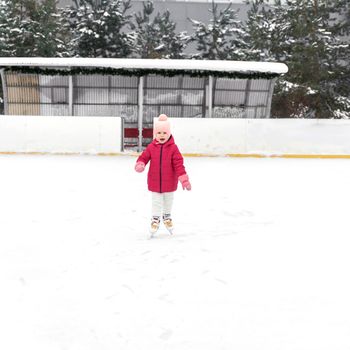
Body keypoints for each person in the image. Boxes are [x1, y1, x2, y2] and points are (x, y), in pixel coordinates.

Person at [134, 114, 191, 235]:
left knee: (168, 200)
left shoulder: (173, 148)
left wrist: (184, 179)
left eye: (164, 133)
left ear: (169, 133)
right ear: (155, 134)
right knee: (156, 201)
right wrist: (140, 164)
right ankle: (155, 219)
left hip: (170, 181)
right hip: (155, 181)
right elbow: (143, 157)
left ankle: (167, 216)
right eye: (159, 133)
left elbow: (179, 164)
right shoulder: (151, 147)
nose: (161, 135)